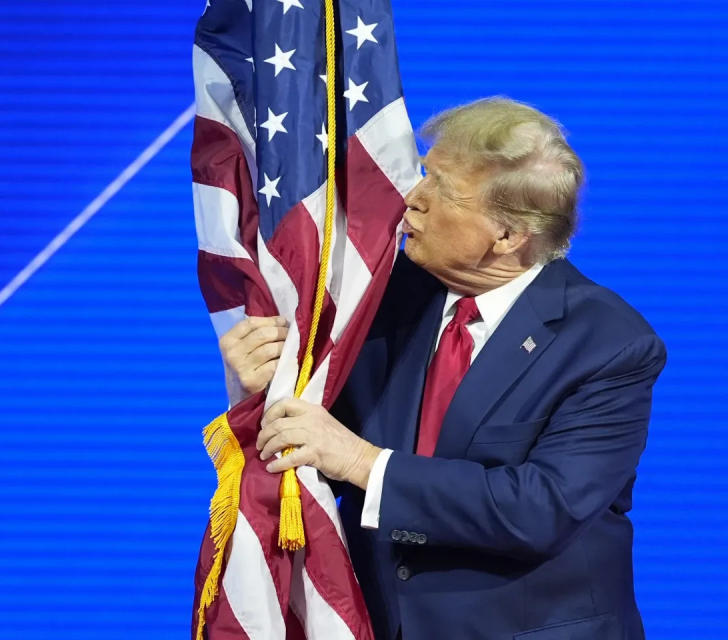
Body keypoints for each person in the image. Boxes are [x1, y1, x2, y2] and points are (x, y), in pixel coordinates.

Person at [218, 97, 666, 640]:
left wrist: (363, 462)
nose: (412, 199)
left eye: (442, 190)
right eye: (424, 174)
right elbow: (319, 439)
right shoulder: (380, 298)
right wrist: (269, 384)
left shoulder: (608, 343)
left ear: (507, 236)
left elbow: (540, 508)